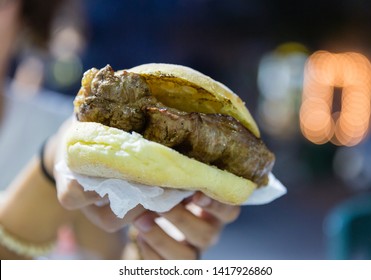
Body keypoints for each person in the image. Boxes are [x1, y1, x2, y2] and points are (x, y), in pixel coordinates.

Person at [0, 0, 241, 260]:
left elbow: (104, 258)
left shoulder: (71, 127)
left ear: (26, 11)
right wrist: (48, 167)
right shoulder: (65, 138)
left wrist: (147, 254)